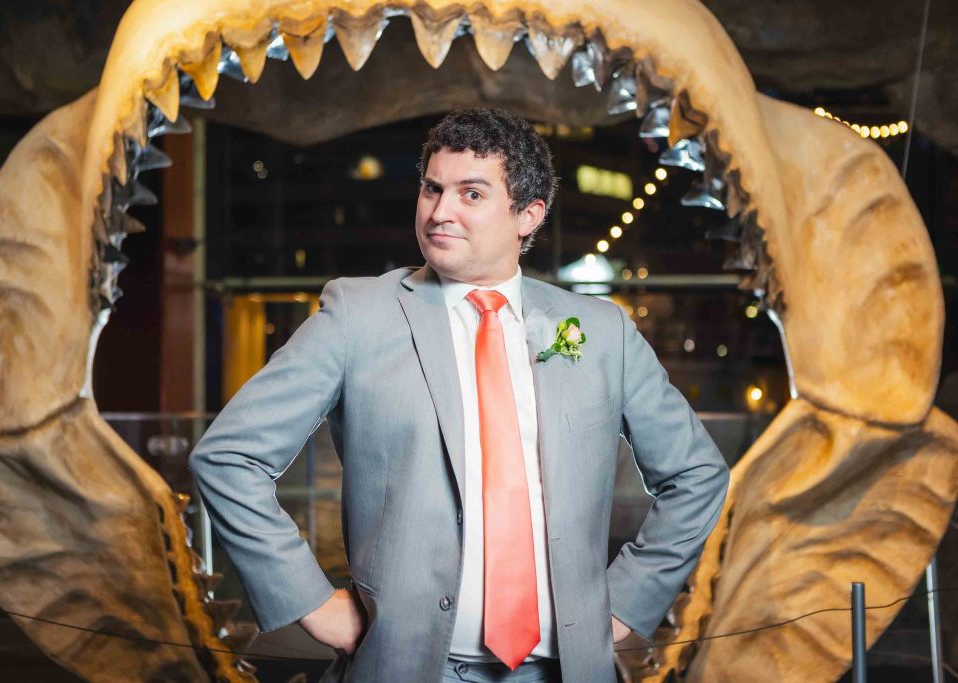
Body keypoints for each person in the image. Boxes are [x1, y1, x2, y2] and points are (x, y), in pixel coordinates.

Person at [189, 108, 729, 682]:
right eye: (431, 189)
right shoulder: (357, 315)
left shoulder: (599, 330)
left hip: (567, 670)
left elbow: (697, 475)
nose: (440, 212)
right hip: (407, 668)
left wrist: (625, 603)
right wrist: (311, 604)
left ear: (528, 215)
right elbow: (228, 457)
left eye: (471, 194)